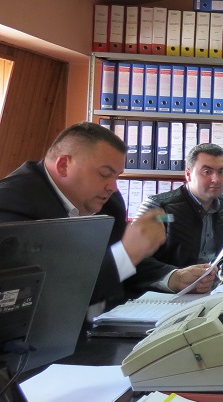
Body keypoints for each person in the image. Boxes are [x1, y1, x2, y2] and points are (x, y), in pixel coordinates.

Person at [0, 122, 166, 306]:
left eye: (117, 176)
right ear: (63, 165)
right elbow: (50, 293)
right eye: (104, 174)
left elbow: (119, 262)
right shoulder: (11, 205)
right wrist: (127, 254)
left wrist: (172, 277)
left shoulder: (110, 203)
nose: (113, 187)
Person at [133, 143, 223, 294]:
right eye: (207, 172)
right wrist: (174, 277)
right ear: (188, 174)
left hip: (217, 292)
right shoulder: (161, 208)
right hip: (169, 296)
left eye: (221, 172)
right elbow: (133, 259)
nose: (216, 179)